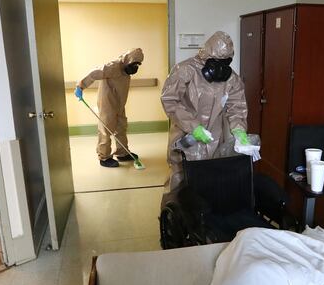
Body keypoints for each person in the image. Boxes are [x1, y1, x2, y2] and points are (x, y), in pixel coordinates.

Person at [160, 31, 248, 190]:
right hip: (185, 135)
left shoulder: (232, 79)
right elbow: (170, 100)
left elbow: (237, 107)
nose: (221, 68)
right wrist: (193, 127)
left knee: (210, 177)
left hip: (214, 137)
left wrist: (240, 131)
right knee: (180, 177)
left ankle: (204, 213)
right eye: (216, 61)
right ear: (206, 57)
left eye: (226, 62)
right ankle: (172, 213)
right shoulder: (185, 70)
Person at [75, 48, 144, 167]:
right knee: (106, 129)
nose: (135, 67)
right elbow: (94, 73)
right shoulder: (113, 67)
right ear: (127, 60)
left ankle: (122, 153)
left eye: (138, 64)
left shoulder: (126, 71)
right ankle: (104, 157)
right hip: (107, 103)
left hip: (119, 103)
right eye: (133, 64)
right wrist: (80, 86)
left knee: (121, 126)